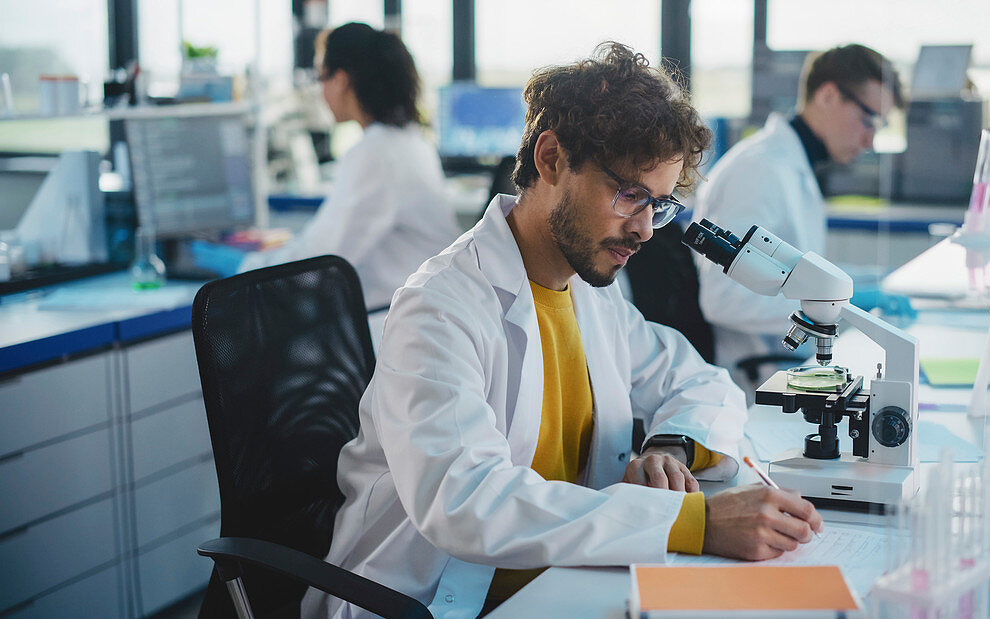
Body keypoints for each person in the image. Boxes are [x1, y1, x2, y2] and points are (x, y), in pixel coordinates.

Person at [302, 42, 823, 619]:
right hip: (439, 601)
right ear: (550, 159)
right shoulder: (440, 307)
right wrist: (690, 522)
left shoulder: (588, 290)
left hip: (565, 583)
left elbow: (699, 380)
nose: (646, 229)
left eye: (659, 203)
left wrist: (671, 445)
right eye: (628, 195)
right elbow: (467, 501)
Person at [192, 22, 459, 310]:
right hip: (423, 313)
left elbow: (316, 264)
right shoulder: (408, 141)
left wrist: (243, 264)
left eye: (321, 77)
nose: (320, 91)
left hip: (399, 325)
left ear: (341, 80)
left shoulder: (376, 153)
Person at [694, 44, 907, 395]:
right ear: (827, 95)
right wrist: (841, 305)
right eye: (869, 119)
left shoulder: (791, 166)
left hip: (794, 364)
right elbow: (723, 299)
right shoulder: (758, 170)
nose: (871, 140)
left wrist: (873, 284)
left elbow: (795, 275)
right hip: (758, 376)